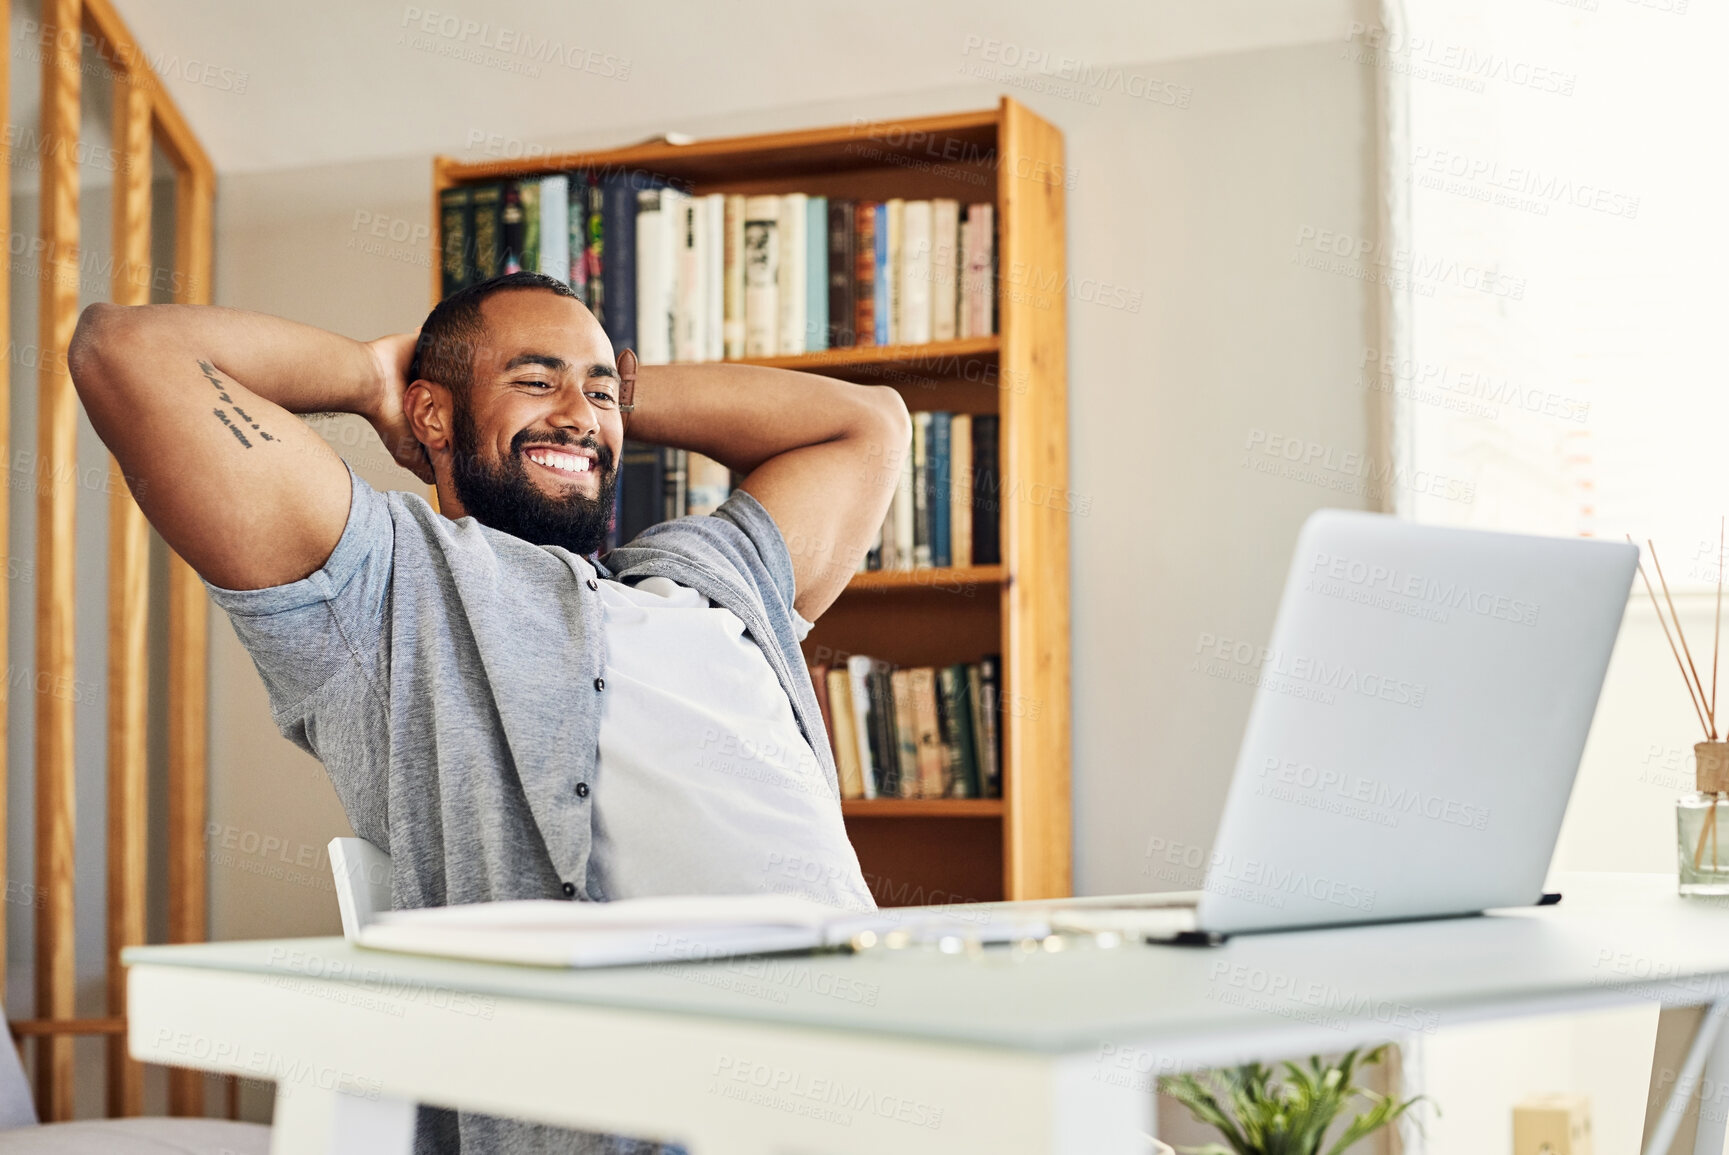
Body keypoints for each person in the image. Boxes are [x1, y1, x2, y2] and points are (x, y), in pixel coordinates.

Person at [68, 270, 911, 1154]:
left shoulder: (709, 571)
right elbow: (124, 349)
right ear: (432, 416)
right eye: (535, 380)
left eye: (600, 392)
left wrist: (602, 394)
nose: (582, 417)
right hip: (666, 1113)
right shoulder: (389, 584)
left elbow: (869, 422)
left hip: (894, 1064)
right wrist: (369, 375)